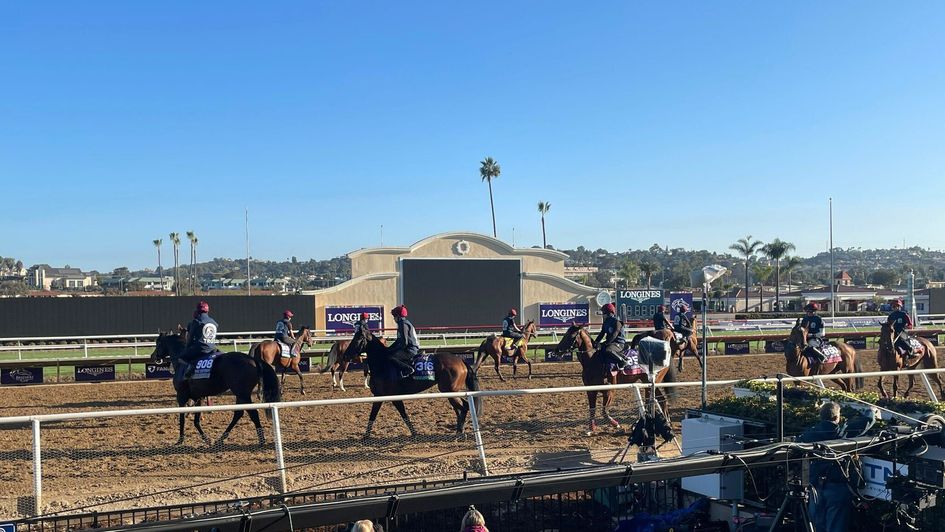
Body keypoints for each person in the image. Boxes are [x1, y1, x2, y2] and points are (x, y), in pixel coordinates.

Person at [796, 402, 873, 532]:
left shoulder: (809, 433)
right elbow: (866, 422)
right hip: (837, 488)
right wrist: (870, 411)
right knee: (836, 526)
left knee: (815, 525)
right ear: (837, 417)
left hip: (815, 488)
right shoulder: (843, 433)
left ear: (820, 416)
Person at [180, 301, 219, 377]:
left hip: (200, 349)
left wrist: (187, 348)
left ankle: (190, 370)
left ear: (197, 311)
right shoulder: (214, 322)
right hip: (212, 348)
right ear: (207, 310)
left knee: (182, 357)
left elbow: (190, 339)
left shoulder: (196, 321)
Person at [594, 303, 630, 370]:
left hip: (619, 343)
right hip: (610, 343)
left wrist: (606, 343)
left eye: (603, 313)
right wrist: (595, 342)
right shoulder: (605, 322)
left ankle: (622, 361)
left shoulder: (617, 322)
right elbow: (601, 334)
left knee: (608, 349)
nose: (602, 315)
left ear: (609, 313)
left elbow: (614, 334)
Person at [387, 305, 418, 377]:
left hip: (410, 350)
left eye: (394, 316)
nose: (394, 319)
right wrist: (388, 349)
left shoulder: (403, 324)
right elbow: (398, 341)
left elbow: (404, 343)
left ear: (398, 316)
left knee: (391, 358)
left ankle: (408, 369)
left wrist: (393, 350)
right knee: (389, 354)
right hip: (408, 348)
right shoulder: (402, 323)